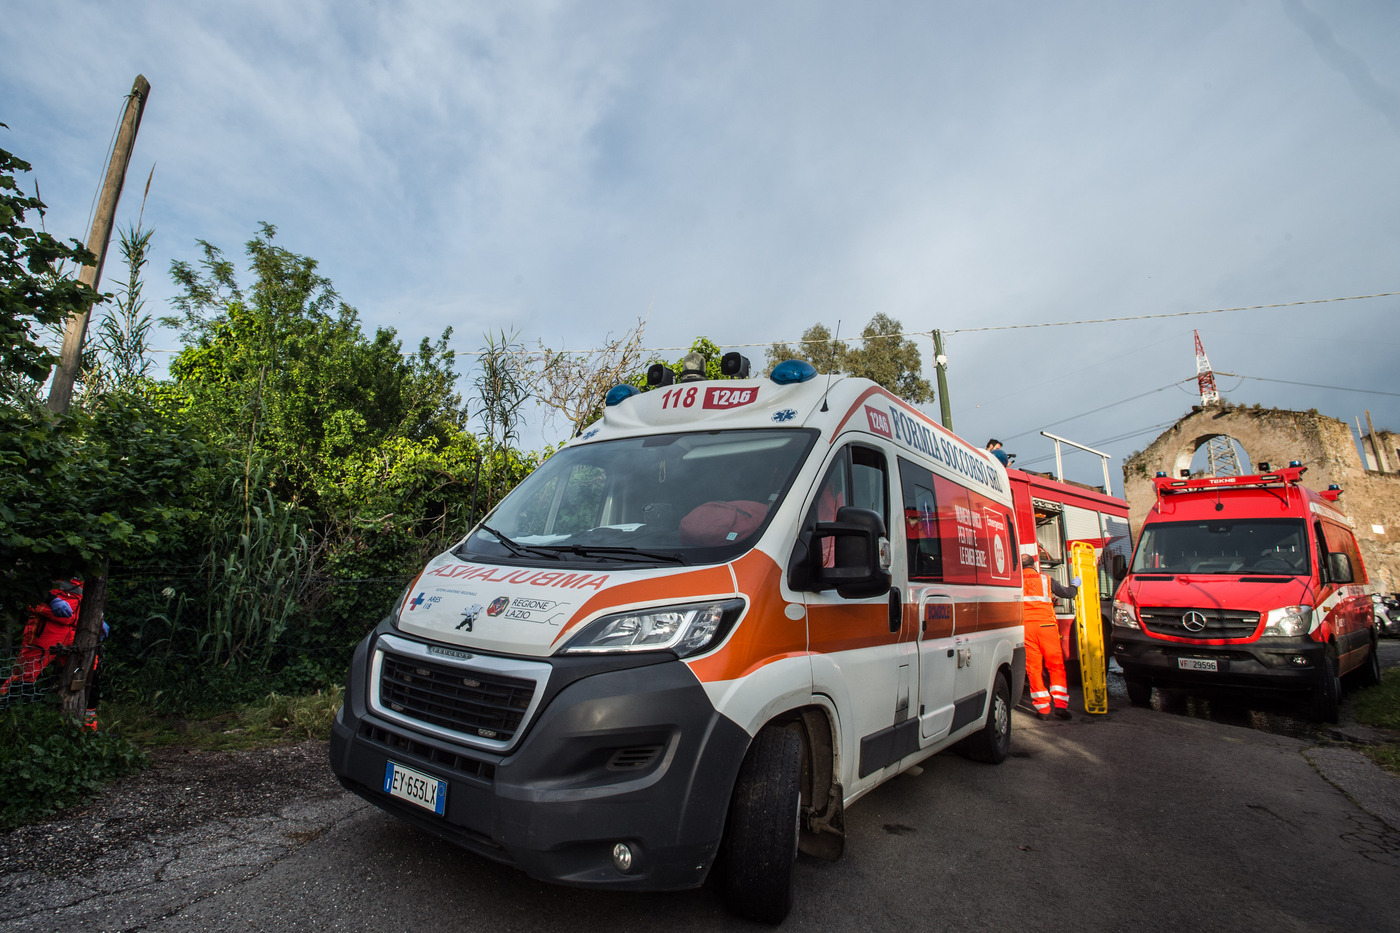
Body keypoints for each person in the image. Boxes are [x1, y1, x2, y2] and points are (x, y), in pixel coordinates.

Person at [1020, 554, 1079, 720]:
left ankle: (1043, 710)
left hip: (1026, 629)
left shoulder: (1016, 582)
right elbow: (1068, 594)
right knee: (1056, 666)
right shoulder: (1045, 579)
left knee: (1034, 669)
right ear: (1034, 565)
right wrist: (1075, 585)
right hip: (1047, 628)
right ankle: (1060, 706)